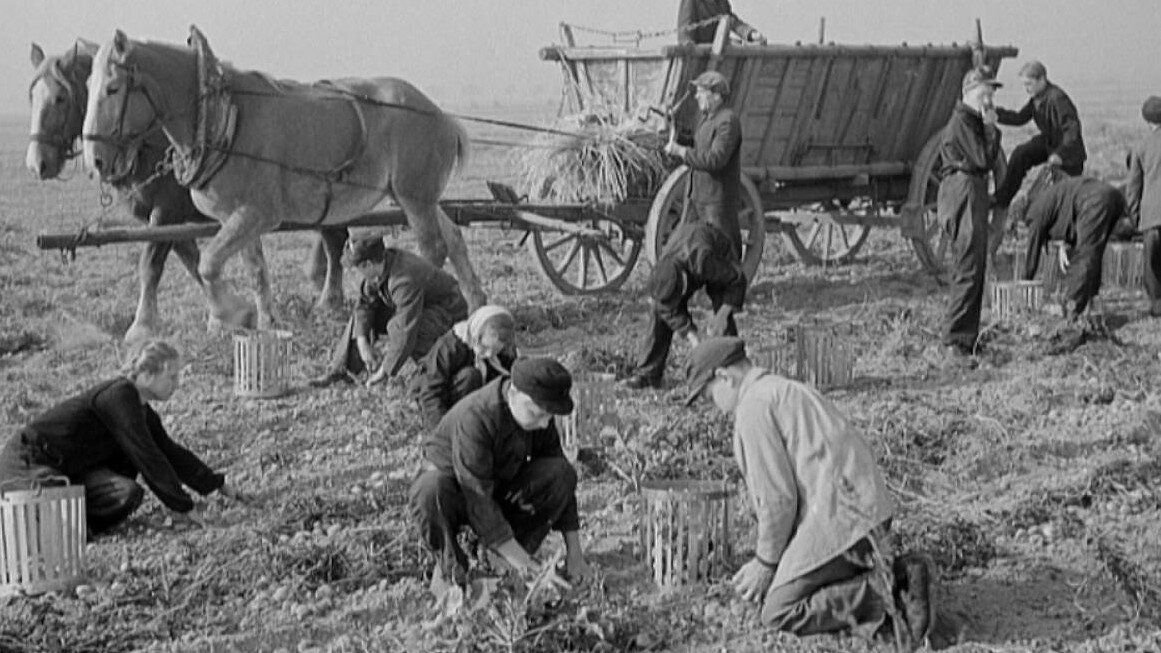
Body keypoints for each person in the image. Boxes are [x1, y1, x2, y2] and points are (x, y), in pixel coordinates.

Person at [684, 336, 933, 648]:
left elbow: (778, 501)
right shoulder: (782, 389)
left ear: (724, 377)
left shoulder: (753, 408)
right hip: (871, 514)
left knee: (778, 610)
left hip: (842, 523)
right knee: (792, 575)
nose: (715, 408)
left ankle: (890, 589)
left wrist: (766, 563)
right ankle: (891, 578)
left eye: (710, 396)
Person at [0, 340, 246, 534]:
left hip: (71, 469)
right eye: (171, 376)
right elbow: (147, 454)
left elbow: (169, 451)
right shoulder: (120, 395)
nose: (177, 384)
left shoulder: (141, 410)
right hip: (31, 460)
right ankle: (69, 529)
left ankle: (79, 527)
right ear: (147, 374)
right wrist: (184, 505)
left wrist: (217, 484)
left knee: (127, 493)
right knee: (48, 507)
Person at [410, 358, 592, 587]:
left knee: (561, 473)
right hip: (458, 492)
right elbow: (477, 496)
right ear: (514, 394)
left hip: (496, 488)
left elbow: (563, 481)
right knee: (429, 490)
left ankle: (504, 557)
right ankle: (453, 572)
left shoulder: (536, 417)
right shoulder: (477, 417)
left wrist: (575, 554)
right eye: (537, 413)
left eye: (549, 416)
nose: (545, 424)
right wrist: (530, 567)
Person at [309, 237, 469, 388]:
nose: (357, 272)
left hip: (448, 312)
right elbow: (364, 305)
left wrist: (384, 371)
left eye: (357, 268)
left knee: (406, 328)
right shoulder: (381, 265)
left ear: (368, 264)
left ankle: (435, 372)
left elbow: (405, 328)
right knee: (362, 317)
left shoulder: (404, 279)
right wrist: (363, 344)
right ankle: (341, 370)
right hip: (421, 305)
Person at [622, 220, 746, 389]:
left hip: (718, 252)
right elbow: (667, 308)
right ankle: (648, 374)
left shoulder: (704, 262)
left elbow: (737, 279)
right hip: (685, 252)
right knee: (659, 310)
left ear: (685, 280)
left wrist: (722, 314)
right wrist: (694, 338)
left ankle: (734, 369)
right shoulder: (663, 270)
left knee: (721, 311)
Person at [938, 68, 1005, 363]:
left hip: (971, 190)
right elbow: (983, 159)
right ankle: (954, 342)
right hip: (964, 189)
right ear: (968, 94)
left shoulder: (971, 119)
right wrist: (992, 128)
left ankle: (967, 341)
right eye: (984, 95)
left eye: (991, 94)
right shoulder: (964, 120)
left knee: (975, 265)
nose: (989, 101)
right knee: (968, 265)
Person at [1017, 173, 1125, 320]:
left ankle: (1072, 308)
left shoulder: (1034, 213)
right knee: (1094, 252)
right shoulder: (1048, 199)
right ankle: (1090, 302)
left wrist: (1026, 279)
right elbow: (1067, 222)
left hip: (1092, 200)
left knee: (1085, 255)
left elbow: (1032, 247)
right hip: (1112, 197)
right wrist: (1063, 245)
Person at [664, 70, 745, 258]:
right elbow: (699, 146)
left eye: (701, 91)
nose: (697, 96)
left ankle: (734, 285)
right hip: (697, 198)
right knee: (688, 248)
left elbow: (716, 159)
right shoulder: (707, 120)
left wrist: (681, 152)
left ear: (716, 96)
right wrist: (675, 137)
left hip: (716, 202)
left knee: (726, 252)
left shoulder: (727, 122)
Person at [992, 61, 1086, 211]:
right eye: (1024, 85)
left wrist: (1060, 154)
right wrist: (995, 114)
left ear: (1042, 79)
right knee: (1021, 154)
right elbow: (1019, 118)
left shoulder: (1057, 98)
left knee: (1059, 197)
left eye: (1029, 84)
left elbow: (1072, 130)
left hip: (1069, 154)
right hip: (1050, 142)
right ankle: (1002, 198)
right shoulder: (1037, 98)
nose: (1026, 89)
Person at [416, 304, 518, 429]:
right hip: (444, 399)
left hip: (475, 400)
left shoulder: (505, 352)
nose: (488, 354)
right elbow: (430, 390)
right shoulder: (452, 345)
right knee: (470, 376)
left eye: (495, 351)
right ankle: (460, 423)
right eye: (484, 347)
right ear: (477, 333)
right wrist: (441, 430)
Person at [1126, 96, 1161, 316]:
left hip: (1152, 216)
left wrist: (1136, 217)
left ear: (1146, 120)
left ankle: (1157, 307)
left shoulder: (1141, 146)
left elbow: (1133, 188)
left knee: (1153, 266)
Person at [677, 0, 766, 45]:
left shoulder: (721, 2)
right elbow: (684, 32)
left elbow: (731, 20)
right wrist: (688, 44)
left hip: (720, 52)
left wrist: (751, 34)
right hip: (699, 57)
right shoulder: (691, 1)